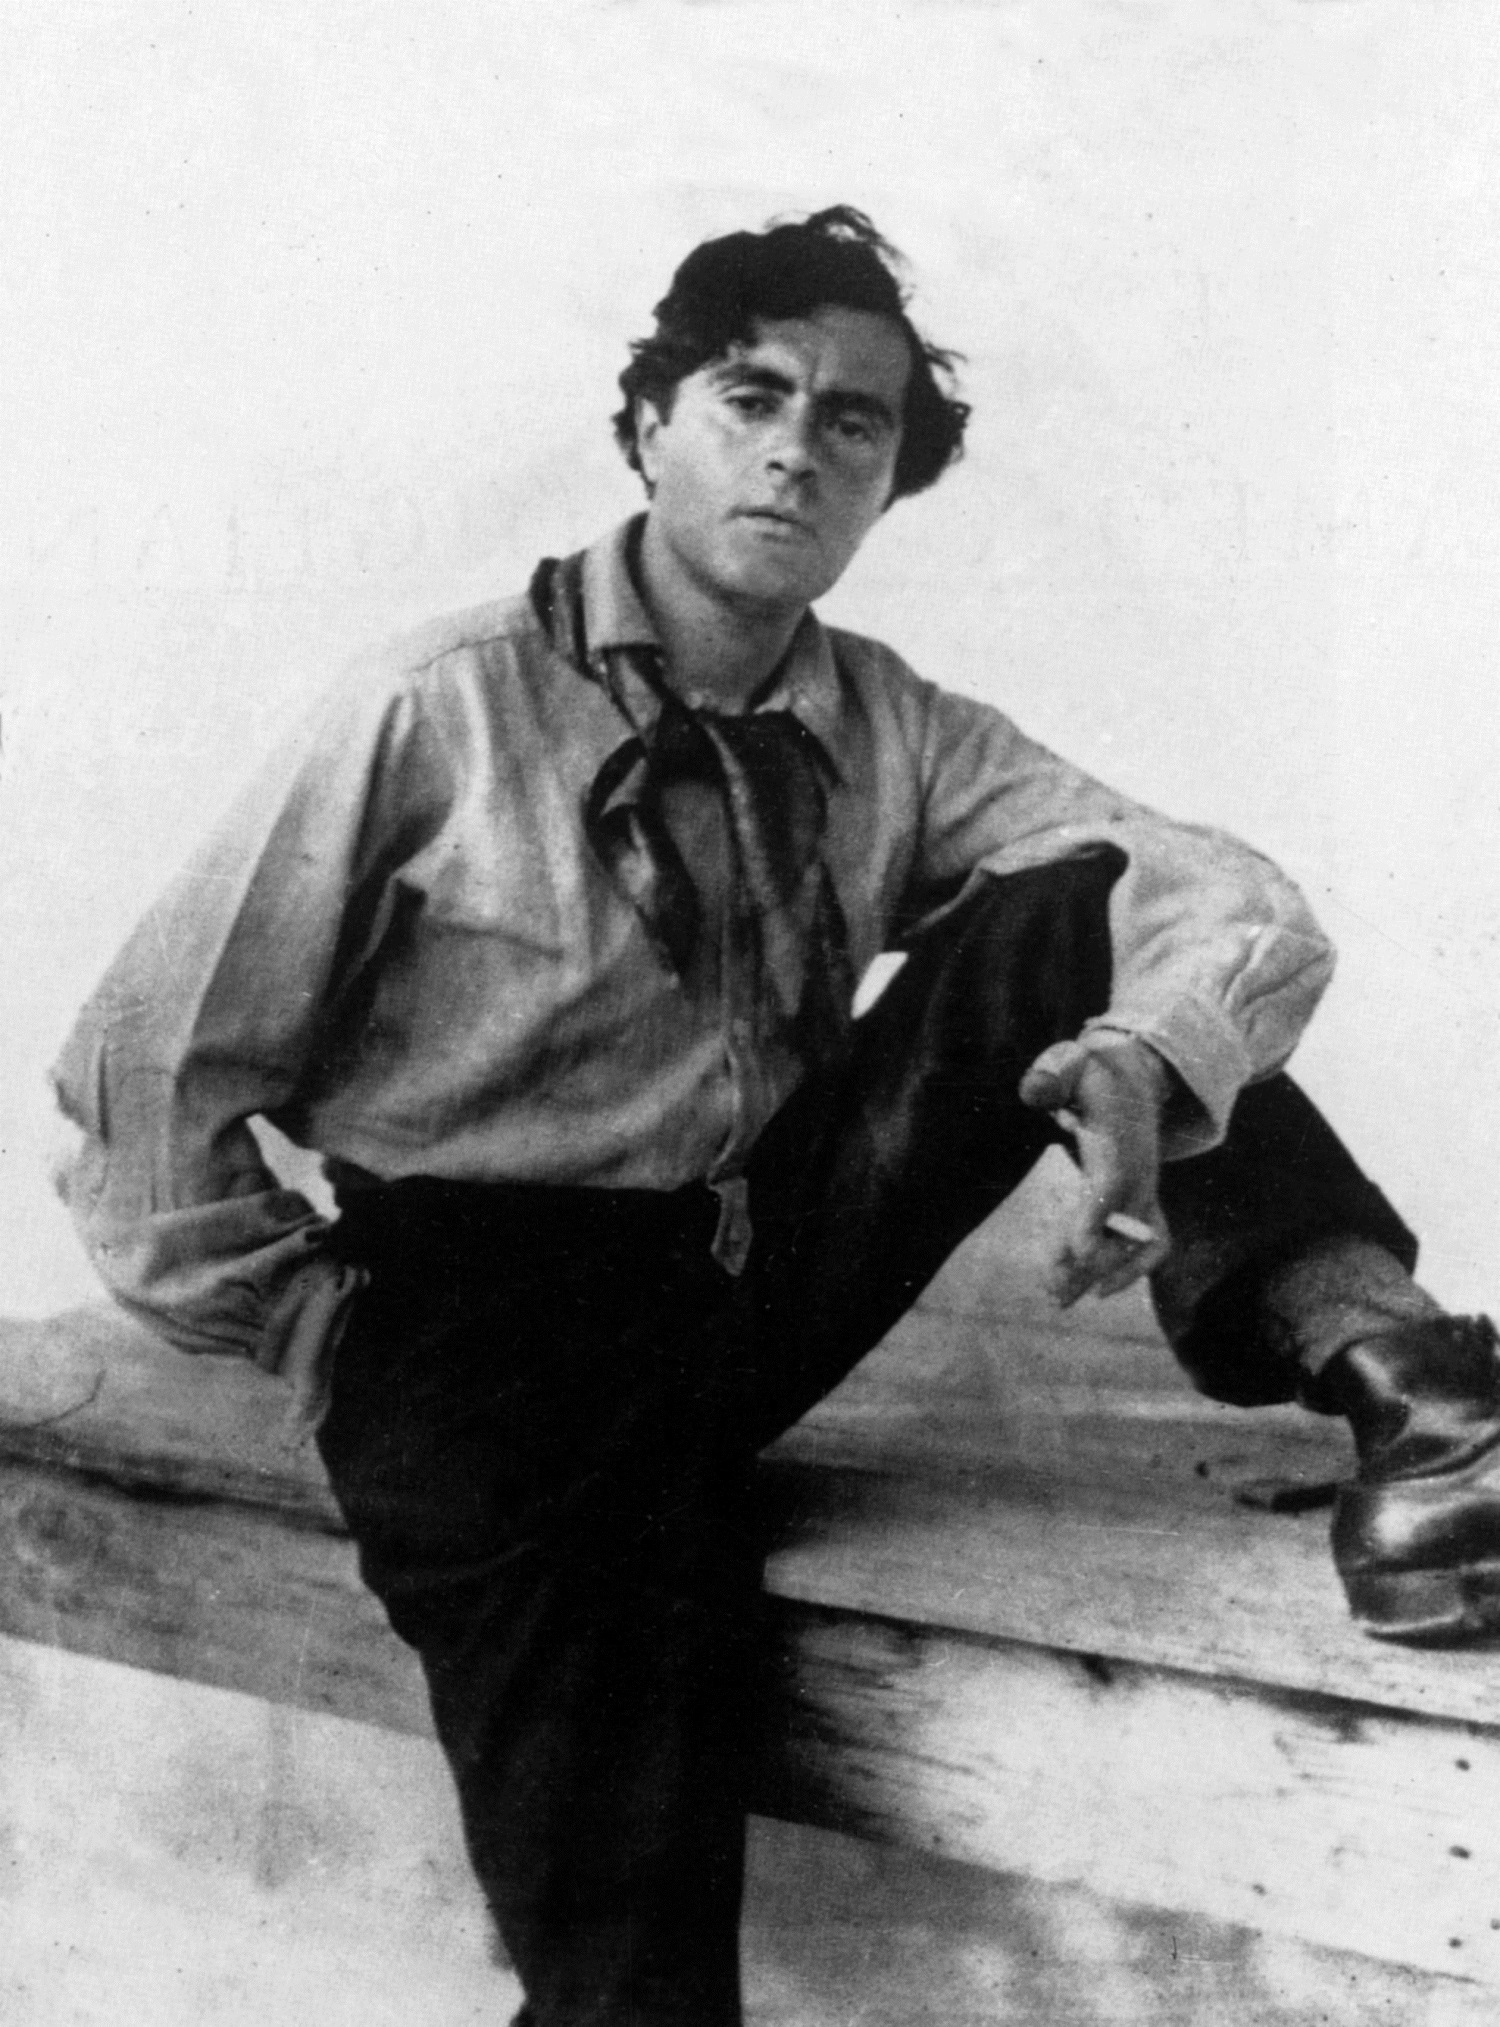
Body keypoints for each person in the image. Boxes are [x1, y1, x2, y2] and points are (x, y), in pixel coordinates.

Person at [52, 206, 1500, 2027]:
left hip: (752, 1271)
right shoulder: (436, 705)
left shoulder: (888, 724)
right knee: (634, 1974)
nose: (798, 451)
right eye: (752, 397)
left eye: (853, 423)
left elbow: (1227, 892)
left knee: (1095, 905)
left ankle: (1418, 1397)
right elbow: (145, 1065)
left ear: (891, 482)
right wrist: (304, 1320)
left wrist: (1139, 1064)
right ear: (649, 426)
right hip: (475, 1333)